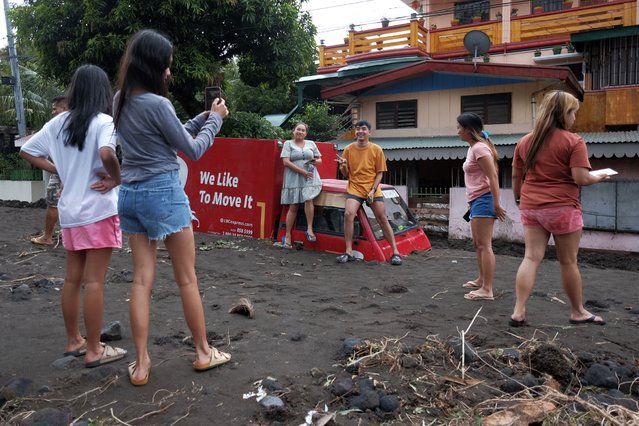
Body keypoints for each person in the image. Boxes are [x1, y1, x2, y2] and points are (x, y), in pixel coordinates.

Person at [113, 29, 231, 386]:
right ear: (153, 66)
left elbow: (173, 134)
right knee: (186, 278)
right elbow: (193, 150)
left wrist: (200, 117)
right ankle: (202, 352)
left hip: (129, 194)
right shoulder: (158, 104)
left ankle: (142, 364)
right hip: (163, 192)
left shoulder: (119, 100)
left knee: (141, 280)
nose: (169, 72)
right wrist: (217, 120)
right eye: (166, 66)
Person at [20, 65, 127, 367]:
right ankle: (95, 350)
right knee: (95, 282)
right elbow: (108, 153)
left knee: (72, 279)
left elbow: (27, 150)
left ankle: (74, 340)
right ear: (102, 91)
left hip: (70, 211)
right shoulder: (104, 121)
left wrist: (59, 170)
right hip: (99, 209)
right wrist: (116, 179)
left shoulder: (58, 123)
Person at [509, 90, 610, 327]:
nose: (575, 118)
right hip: (563, 207)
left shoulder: (525, 141)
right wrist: (602, 175)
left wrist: (518, 199)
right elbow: (581, 178)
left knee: (531, 257)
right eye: (573, 112)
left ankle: (518, 311)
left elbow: (516, 175)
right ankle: (577, 311)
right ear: (564, 114)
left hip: (531, 207)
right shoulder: (574, 141)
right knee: (568, 261)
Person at [336, 120, 402, 265]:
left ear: (369, 132)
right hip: (355, 187)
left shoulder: (376, 149)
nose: (360, 131)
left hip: (372, 188)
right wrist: (343, 166)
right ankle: (348, 251)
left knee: (382, 218)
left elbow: (380, 173)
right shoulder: (348, 149)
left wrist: (373, 190)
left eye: (363, 129)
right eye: (357, 129)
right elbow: (347, 174)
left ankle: (395, 252)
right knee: (348, 214)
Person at [457, 113, 506, 301]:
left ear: (469, 130)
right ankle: (481, 279)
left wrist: (496, 203)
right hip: (476, 200)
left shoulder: (479, 148)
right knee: (477, 244)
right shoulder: (473, 148)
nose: (458, 131)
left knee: (485, 245)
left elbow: (493, 176)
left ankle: (487, 289)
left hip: (484, 200)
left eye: (460, 128)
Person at [30, 96, 69, 246]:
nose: (52, 112)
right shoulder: (82, 125)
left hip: (62, 172)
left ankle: (47, 237)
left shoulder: (55, 127)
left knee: (53, 203)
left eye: (55, 108)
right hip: (79, 172)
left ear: (64, 109)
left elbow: (30, 151)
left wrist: (57, 169)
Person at [280, 122, 322, 247]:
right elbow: (286, 162)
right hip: (294, 177)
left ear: (306, 133)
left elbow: (320, 159)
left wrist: (315, 161)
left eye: (303, 130)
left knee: (309, 200)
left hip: (309, 177)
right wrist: (302, 171)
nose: (300, 132)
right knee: (293, 206)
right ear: (294, 131)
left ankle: (309, 229)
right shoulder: (288, 144)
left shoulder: (311, 144)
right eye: (298, 129)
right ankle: (287, 235)